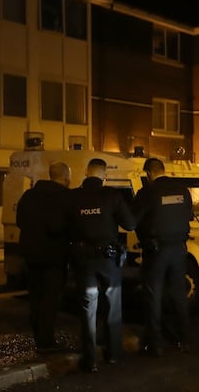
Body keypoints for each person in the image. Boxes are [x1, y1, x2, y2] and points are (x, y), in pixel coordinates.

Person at [65, 158, 136, 373]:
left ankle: (90, 360)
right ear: (104, 176)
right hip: (108, 259)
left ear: (87, 173)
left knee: (88, 309)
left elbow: (63, 226)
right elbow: (130, 224)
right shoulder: (112, 195)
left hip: (83, 259)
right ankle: (113, 354)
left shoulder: (73, 197)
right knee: (112, 306)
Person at [130, 157, 193, 356]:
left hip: (156, 251)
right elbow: (188, 215)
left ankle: (155, 344)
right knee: (178, 294)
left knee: (153, 295)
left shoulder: (147, 192)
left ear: (149, 173)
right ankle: (185, 339)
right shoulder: (183, 190)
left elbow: (132, 221)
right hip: (180, 249)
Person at [16, 161, 71, 353]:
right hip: (54, 256)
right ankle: (46, 341)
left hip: (31, 255)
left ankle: (38, 336)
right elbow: (60, 226)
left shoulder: (29, 195)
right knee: (50, 298)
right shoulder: (65, 197)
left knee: (35, 297)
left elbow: (19, 220)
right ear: (65, 176)